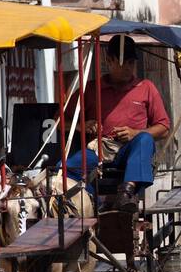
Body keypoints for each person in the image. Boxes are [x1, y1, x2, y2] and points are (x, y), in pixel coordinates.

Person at [66, 35, 171, 211]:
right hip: (99, 150)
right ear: (109, 61)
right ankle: (93, 202)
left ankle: (126, 193)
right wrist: (81, 126)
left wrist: (135, 133)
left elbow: (164, 128)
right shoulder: (91, 89)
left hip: (130, 151)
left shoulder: (146, 87)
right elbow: (59, 121)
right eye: (123, 63)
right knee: (65, 169)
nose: (128, 68)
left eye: (131, 63)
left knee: (145, 139)